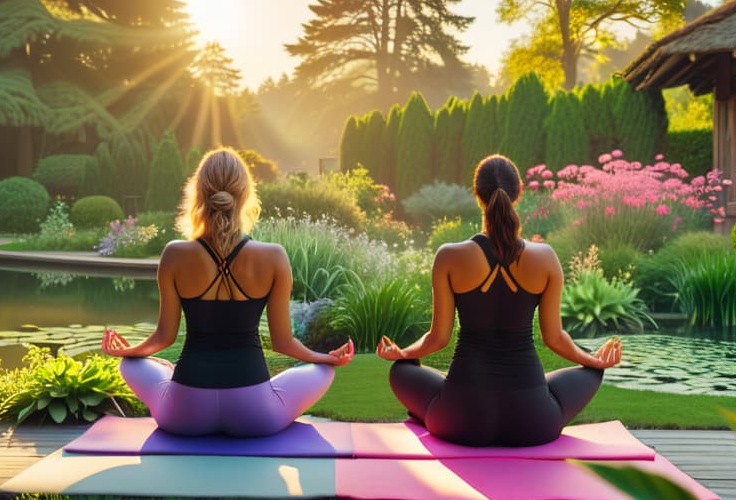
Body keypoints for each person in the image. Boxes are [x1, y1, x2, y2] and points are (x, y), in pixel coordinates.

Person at [102, 148, 354, 437]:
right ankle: (176, 375)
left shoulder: (174, 255)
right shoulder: (274, 256)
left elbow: (164, 336)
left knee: (129, 365)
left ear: (198, 193)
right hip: (255, 415)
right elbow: (283, 343)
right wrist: (325, 358)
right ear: (246, 194)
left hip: (184, 414)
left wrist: (129, 352)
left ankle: (167, 372)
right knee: (322, 372)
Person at [376, 154, 621, 447]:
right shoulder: (545, 258)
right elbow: (554, 338)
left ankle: (429, 413)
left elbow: (438, 338)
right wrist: (594, 361)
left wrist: (402, 353)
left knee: (402, 370)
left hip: (460, 420)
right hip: (533, 421)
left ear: (477, 195)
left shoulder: (449, 256)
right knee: (592, 371)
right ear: (517, 193)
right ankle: (535, 394)